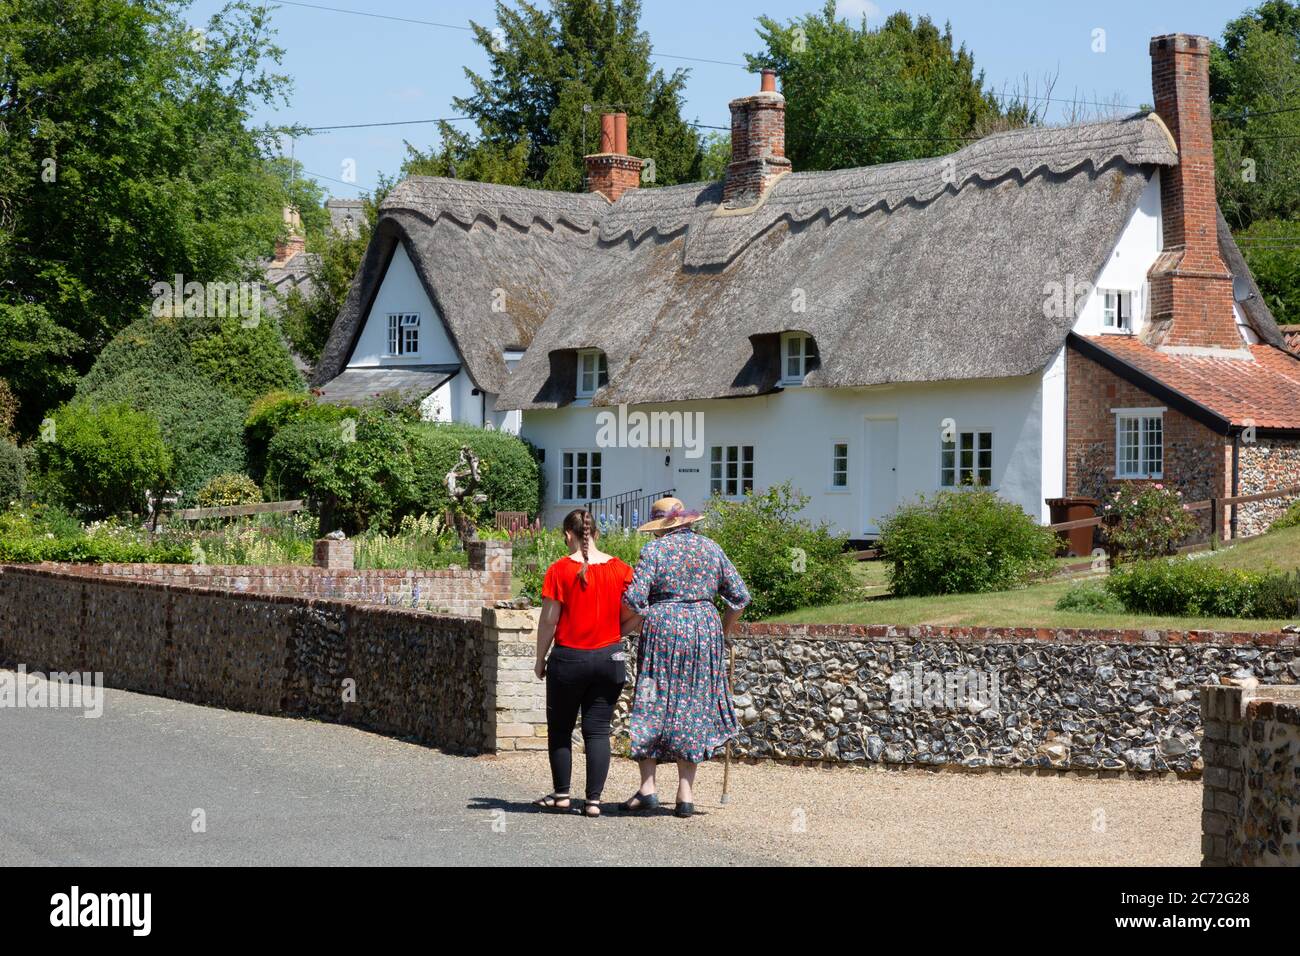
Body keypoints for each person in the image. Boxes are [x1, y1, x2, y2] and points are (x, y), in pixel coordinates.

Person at [620, 497, 750, 818]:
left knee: (653, 701)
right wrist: (722, 630)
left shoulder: (654, 551)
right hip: (704, 630)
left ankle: (648, 788)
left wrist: (624, 625)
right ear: (687, 521)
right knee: (692, 705)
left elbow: (635, 599)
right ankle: (685, 794)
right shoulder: (711, 549)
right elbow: (739, 598)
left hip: (663, 627)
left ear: (662, 528)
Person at [533, 509, 639, 818]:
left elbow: (550, 620)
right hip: (609, 659)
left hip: (569, 659)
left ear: (568, 534)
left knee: (561, 729)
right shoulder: (621, 569)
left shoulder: (558, 571)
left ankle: (562, 795)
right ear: (596, 533)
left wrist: (540, 658)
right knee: (597, 731)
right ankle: (593, 802)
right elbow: (637, 611)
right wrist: (616, 633)